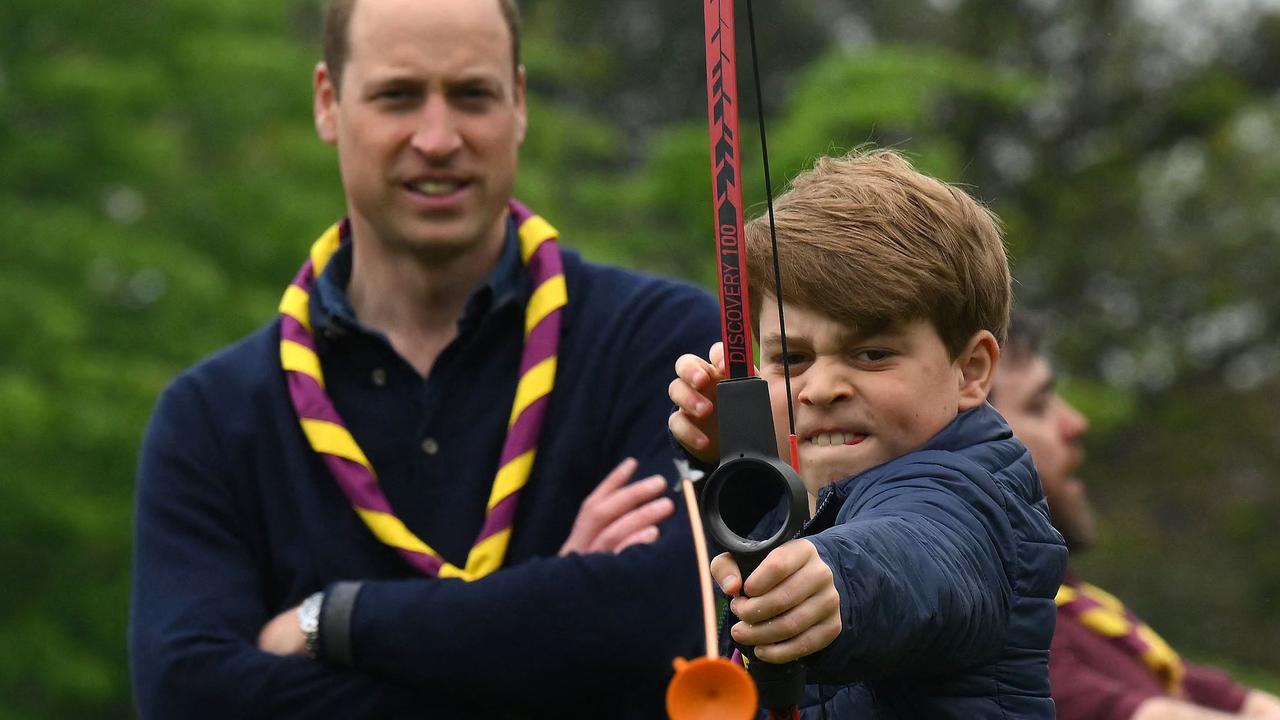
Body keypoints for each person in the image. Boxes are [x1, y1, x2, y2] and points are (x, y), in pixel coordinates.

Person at [128, 0, 721, 717]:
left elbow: (671, 620)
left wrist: (333, 622)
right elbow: (189, 695)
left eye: (472, 95)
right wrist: (550, 627)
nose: (438, 139)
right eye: (398, 96)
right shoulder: (211, 418)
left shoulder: (665, 347)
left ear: (520, 103)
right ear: (328, 103)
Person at [668, 149, 1067, 717]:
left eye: (873, 353)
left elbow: (925, 556)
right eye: (793, 357)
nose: (823, 387)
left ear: (971, 370)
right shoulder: (811, 494)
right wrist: (728, 465)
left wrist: (837, 583)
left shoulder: (970, 492)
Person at [990, 315, 1280, 720]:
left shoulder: (1070, 603)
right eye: (1038, 405)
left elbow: (1200, 689)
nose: (1076, 423)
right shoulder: (989, 620)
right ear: (973, 444)